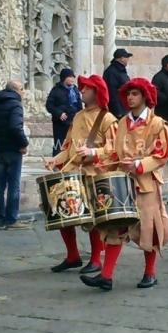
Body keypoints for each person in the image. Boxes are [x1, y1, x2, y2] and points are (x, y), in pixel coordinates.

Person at [78, 78, 168, 291]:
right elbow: (113, 151)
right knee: (115, 226)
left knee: (149, 228)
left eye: (135, 94)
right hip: (121, 182)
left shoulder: (158, 124)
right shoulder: (121, 123)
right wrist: (101, 162)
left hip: (145, 183)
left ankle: (150, 273)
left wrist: (138, 164)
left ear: (145, 97)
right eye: (128, 94)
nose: (130, 98)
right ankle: (106, 276)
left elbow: (162, 154)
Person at [44, 74, 118, 274]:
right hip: (72, 173)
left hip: (94, 174)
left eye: (86, 88)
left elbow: (114, 149)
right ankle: (72, 256)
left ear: (96, 92)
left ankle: (96, 259)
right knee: (62, 212)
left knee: (93, 218)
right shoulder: (77, 116)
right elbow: (68, 147)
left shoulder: (107, 118)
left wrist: (93, 152)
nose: (81, 91)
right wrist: (56, 160)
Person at [0, 80, 31, 230]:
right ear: (16, 90)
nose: (23, 92)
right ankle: (11, 220)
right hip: (12, 150)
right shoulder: (16, 105)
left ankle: (0, 219)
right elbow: (15, 127)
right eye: (22, 89)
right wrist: (23, 144)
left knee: (0, 185)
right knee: (13, 185)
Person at [45, 68, 83, 156]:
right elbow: (49, 105)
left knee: (74, 143)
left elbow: (79, 105)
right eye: (70, 77)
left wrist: (80, 116)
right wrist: (59, 113)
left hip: (73, 121)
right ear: (64, 78)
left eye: (73, 77)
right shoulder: (56, 90)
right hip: (60, 123)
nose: (72, 79)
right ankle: (56, 161)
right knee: (59, 144)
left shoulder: (75, 90)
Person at [103, 48, 132, 119]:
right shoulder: (112, 72)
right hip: (118, 111)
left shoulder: (120, 70)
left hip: (124, 108)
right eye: (126, 57)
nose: (128, 60)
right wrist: (117, 111)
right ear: (122, 58)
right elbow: (112, 92)